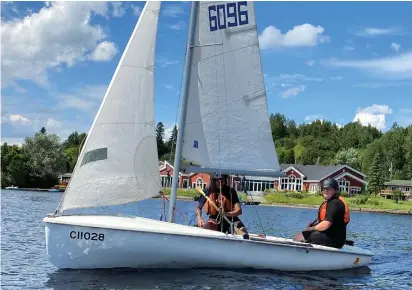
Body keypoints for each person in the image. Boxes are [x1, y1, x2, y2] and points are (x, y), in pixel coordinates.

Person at [293, 178, 350, 248]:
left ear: (335, 190)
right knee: (302, 235)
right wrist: (312, 225)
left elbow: (327, 223)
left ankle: (298, 256)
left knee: (300, 236)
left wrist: (312, 228)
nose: (325, 191)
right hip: (332, 237)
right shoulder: (332, 202)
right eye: (324, 189)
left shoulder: (335, 203)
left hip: (334, 240)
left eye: (328, 189)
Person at [195, 174, 249, 238]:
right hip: (214, 219)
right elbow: (198, 208)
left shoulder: (231, 191)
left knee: (244, 232)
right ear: (213, 181)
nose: (221, 183)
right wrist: (199, 218)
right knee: (207, 229)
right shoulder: (207, 191)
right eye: (218, 181)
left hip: (231, 220)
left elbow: (239, 211)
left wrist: (226, 214)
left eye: (223, 181)